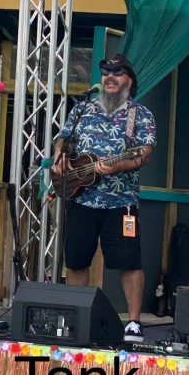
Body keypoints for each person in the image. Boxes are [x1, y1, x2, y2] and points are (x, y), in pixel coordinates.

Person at [52, 54, 156, 342]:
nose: (110, 77)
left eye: (117, 72)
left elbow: (144, 153)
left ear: (129, 80)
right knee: (76, 260)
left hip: (121, 202)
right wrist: (59, 156)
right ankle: (76, 317)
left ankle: (133, 322)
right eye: (106, 72)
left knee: (129, 261)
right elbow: (63, 137)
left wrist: (118, 165)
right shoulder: (83, 108)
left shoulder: (140, 114)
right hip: (81, 197)